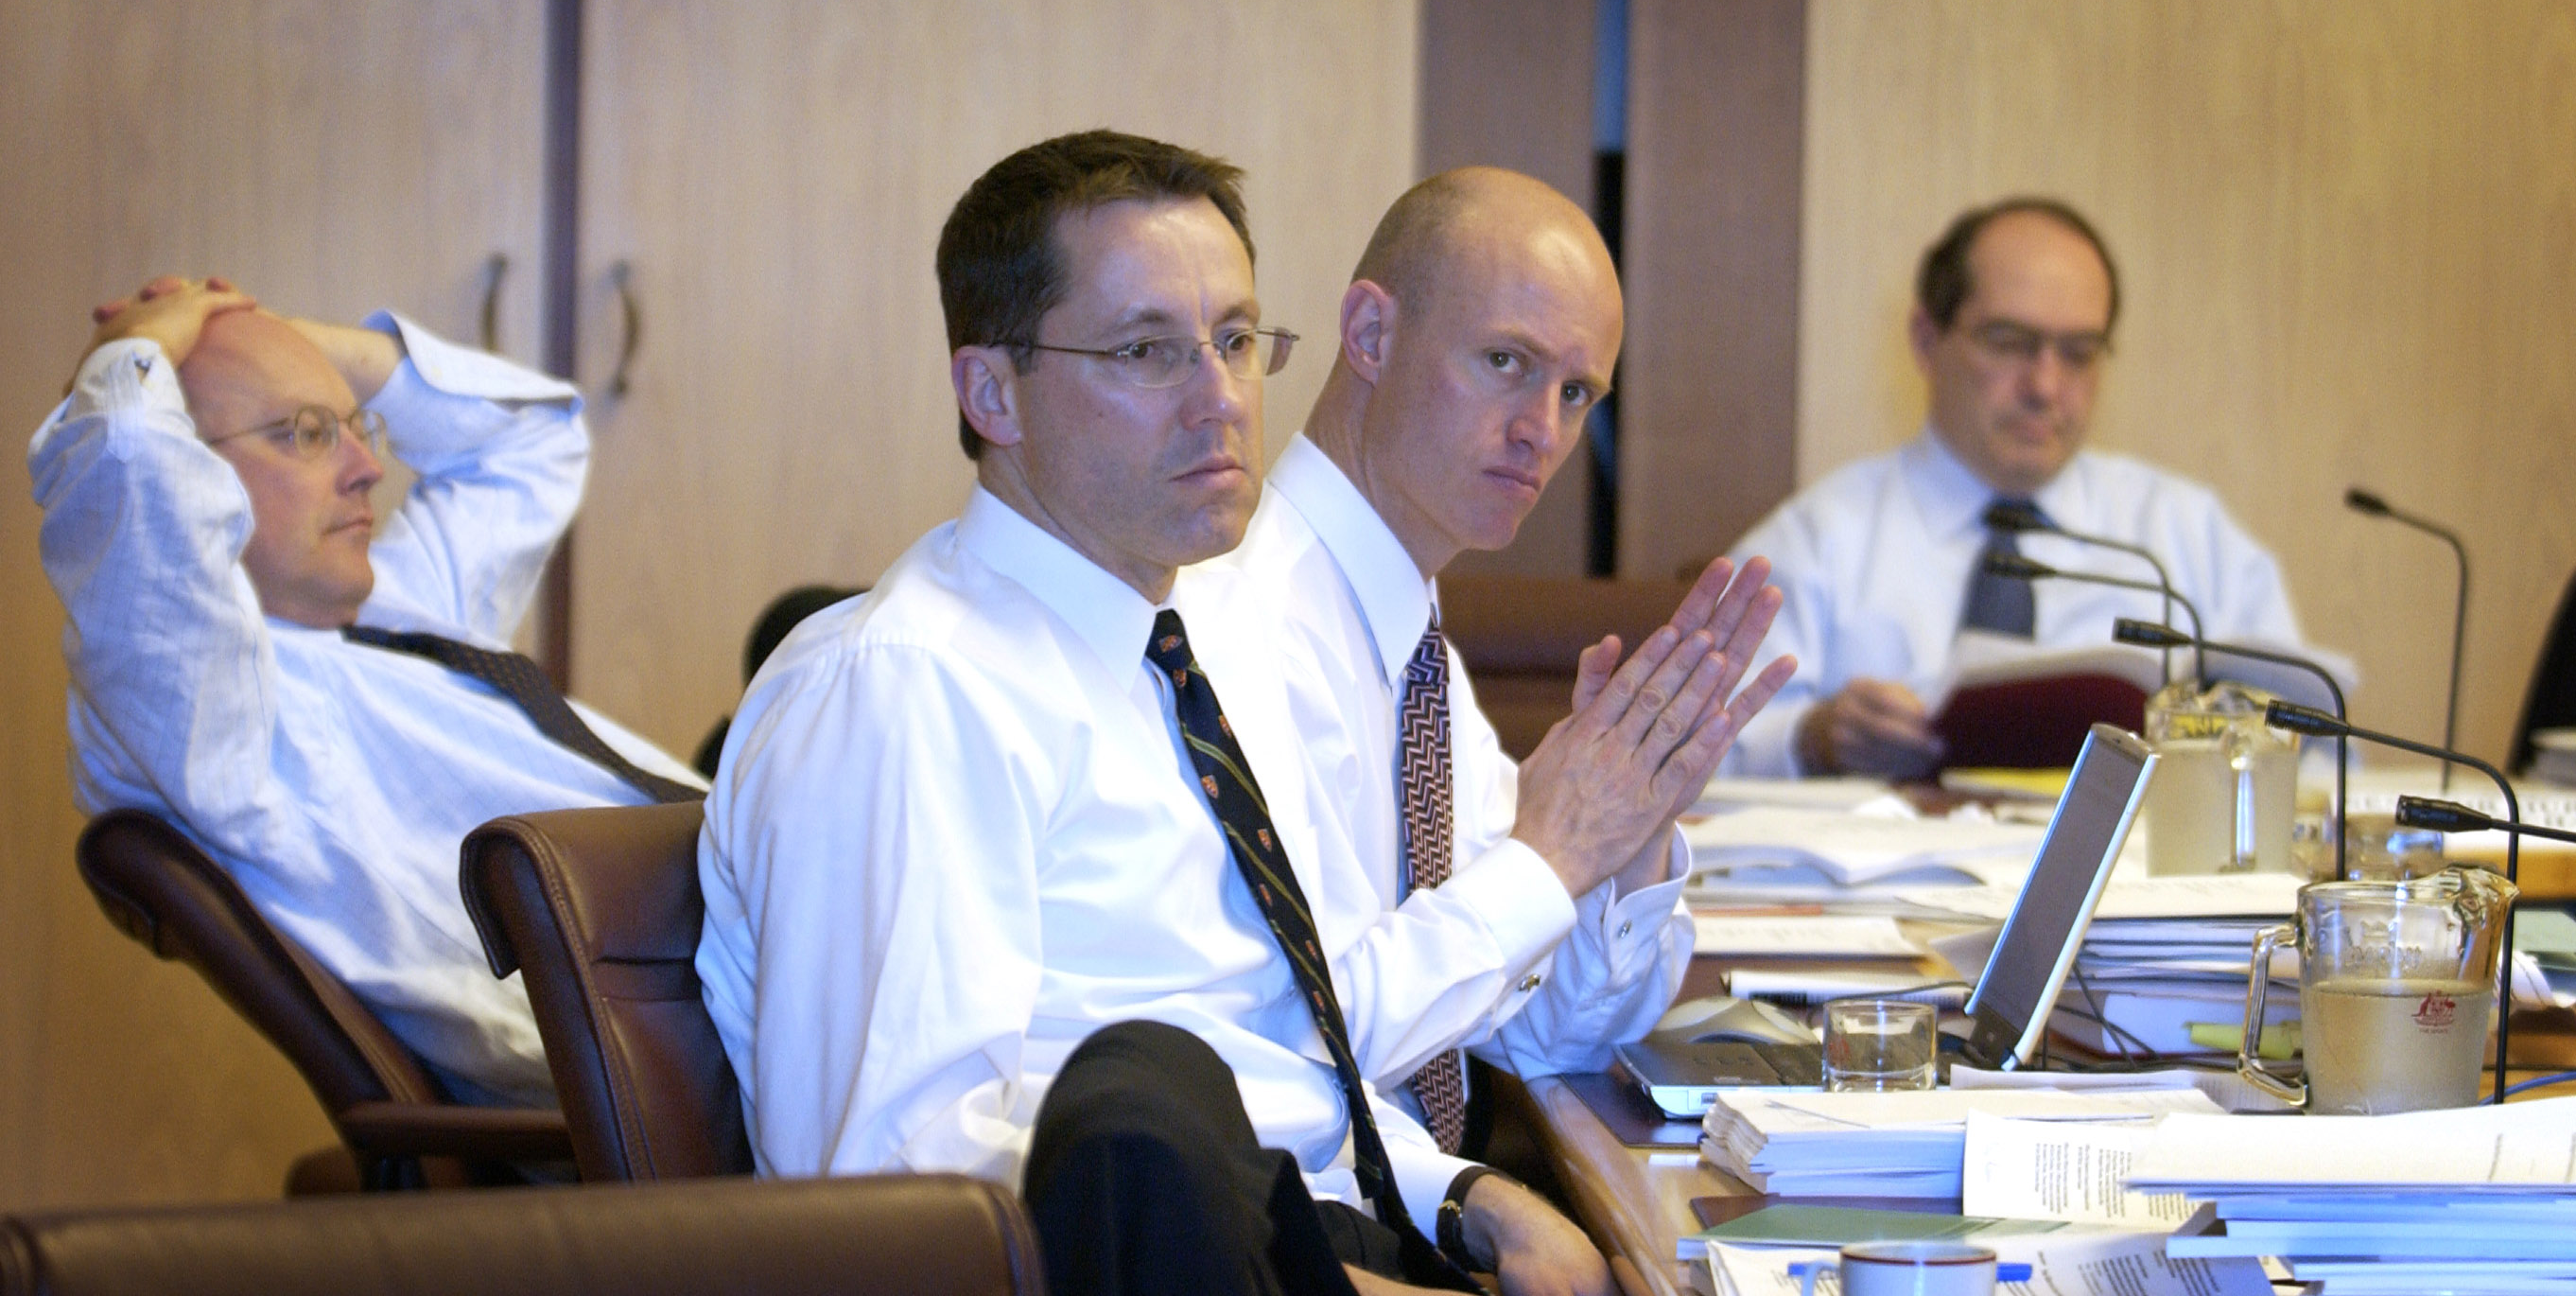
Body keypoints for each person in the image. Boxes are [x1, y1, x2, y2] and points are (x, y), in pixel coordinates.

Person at [695, 132, 1736, 1296]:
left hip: (1309, 1212)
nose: (1219, 402)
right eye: (1146, 351)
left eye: (1237, 341)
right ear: (993, 392)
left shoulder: (1171, 654)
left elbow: (1266, 1046)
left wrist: (1462, 1194)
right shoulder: (905, 685)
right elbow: (892, 1185)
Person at [31, 277, 703, 1107]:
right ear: (189, 475)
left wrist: (266, 329)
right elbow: (129, 464)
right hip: (714, 1057)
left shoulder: (389, 610)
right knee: (838, 649)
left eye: (356, 426)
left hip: (760, 951)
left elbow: (532, 439)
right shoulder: (208, 725)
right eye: (307, 434)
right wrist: (136, 350)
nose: (369, 469)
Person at [1234, 166, 1795, 1153]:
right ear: (1370, 334)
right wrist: (1552, 851)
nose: (1544, 430)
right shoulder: (1240, 622)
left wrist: (1627, 841)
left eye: (1577, 391)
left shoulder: (1416, 648)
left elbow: (1538, 1030)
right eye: (1505, 361)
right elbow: (1301, 1045)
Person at [1724, 198, 2305, 779]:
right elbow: (1695, 761)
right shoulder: (1816, 540)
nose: (2045, 386)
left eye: (2079, 353)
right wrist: (1814, 740)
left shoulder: (2185, 533)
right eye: (2007, 342)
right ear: (1926, 339)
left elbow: (2319, 754)